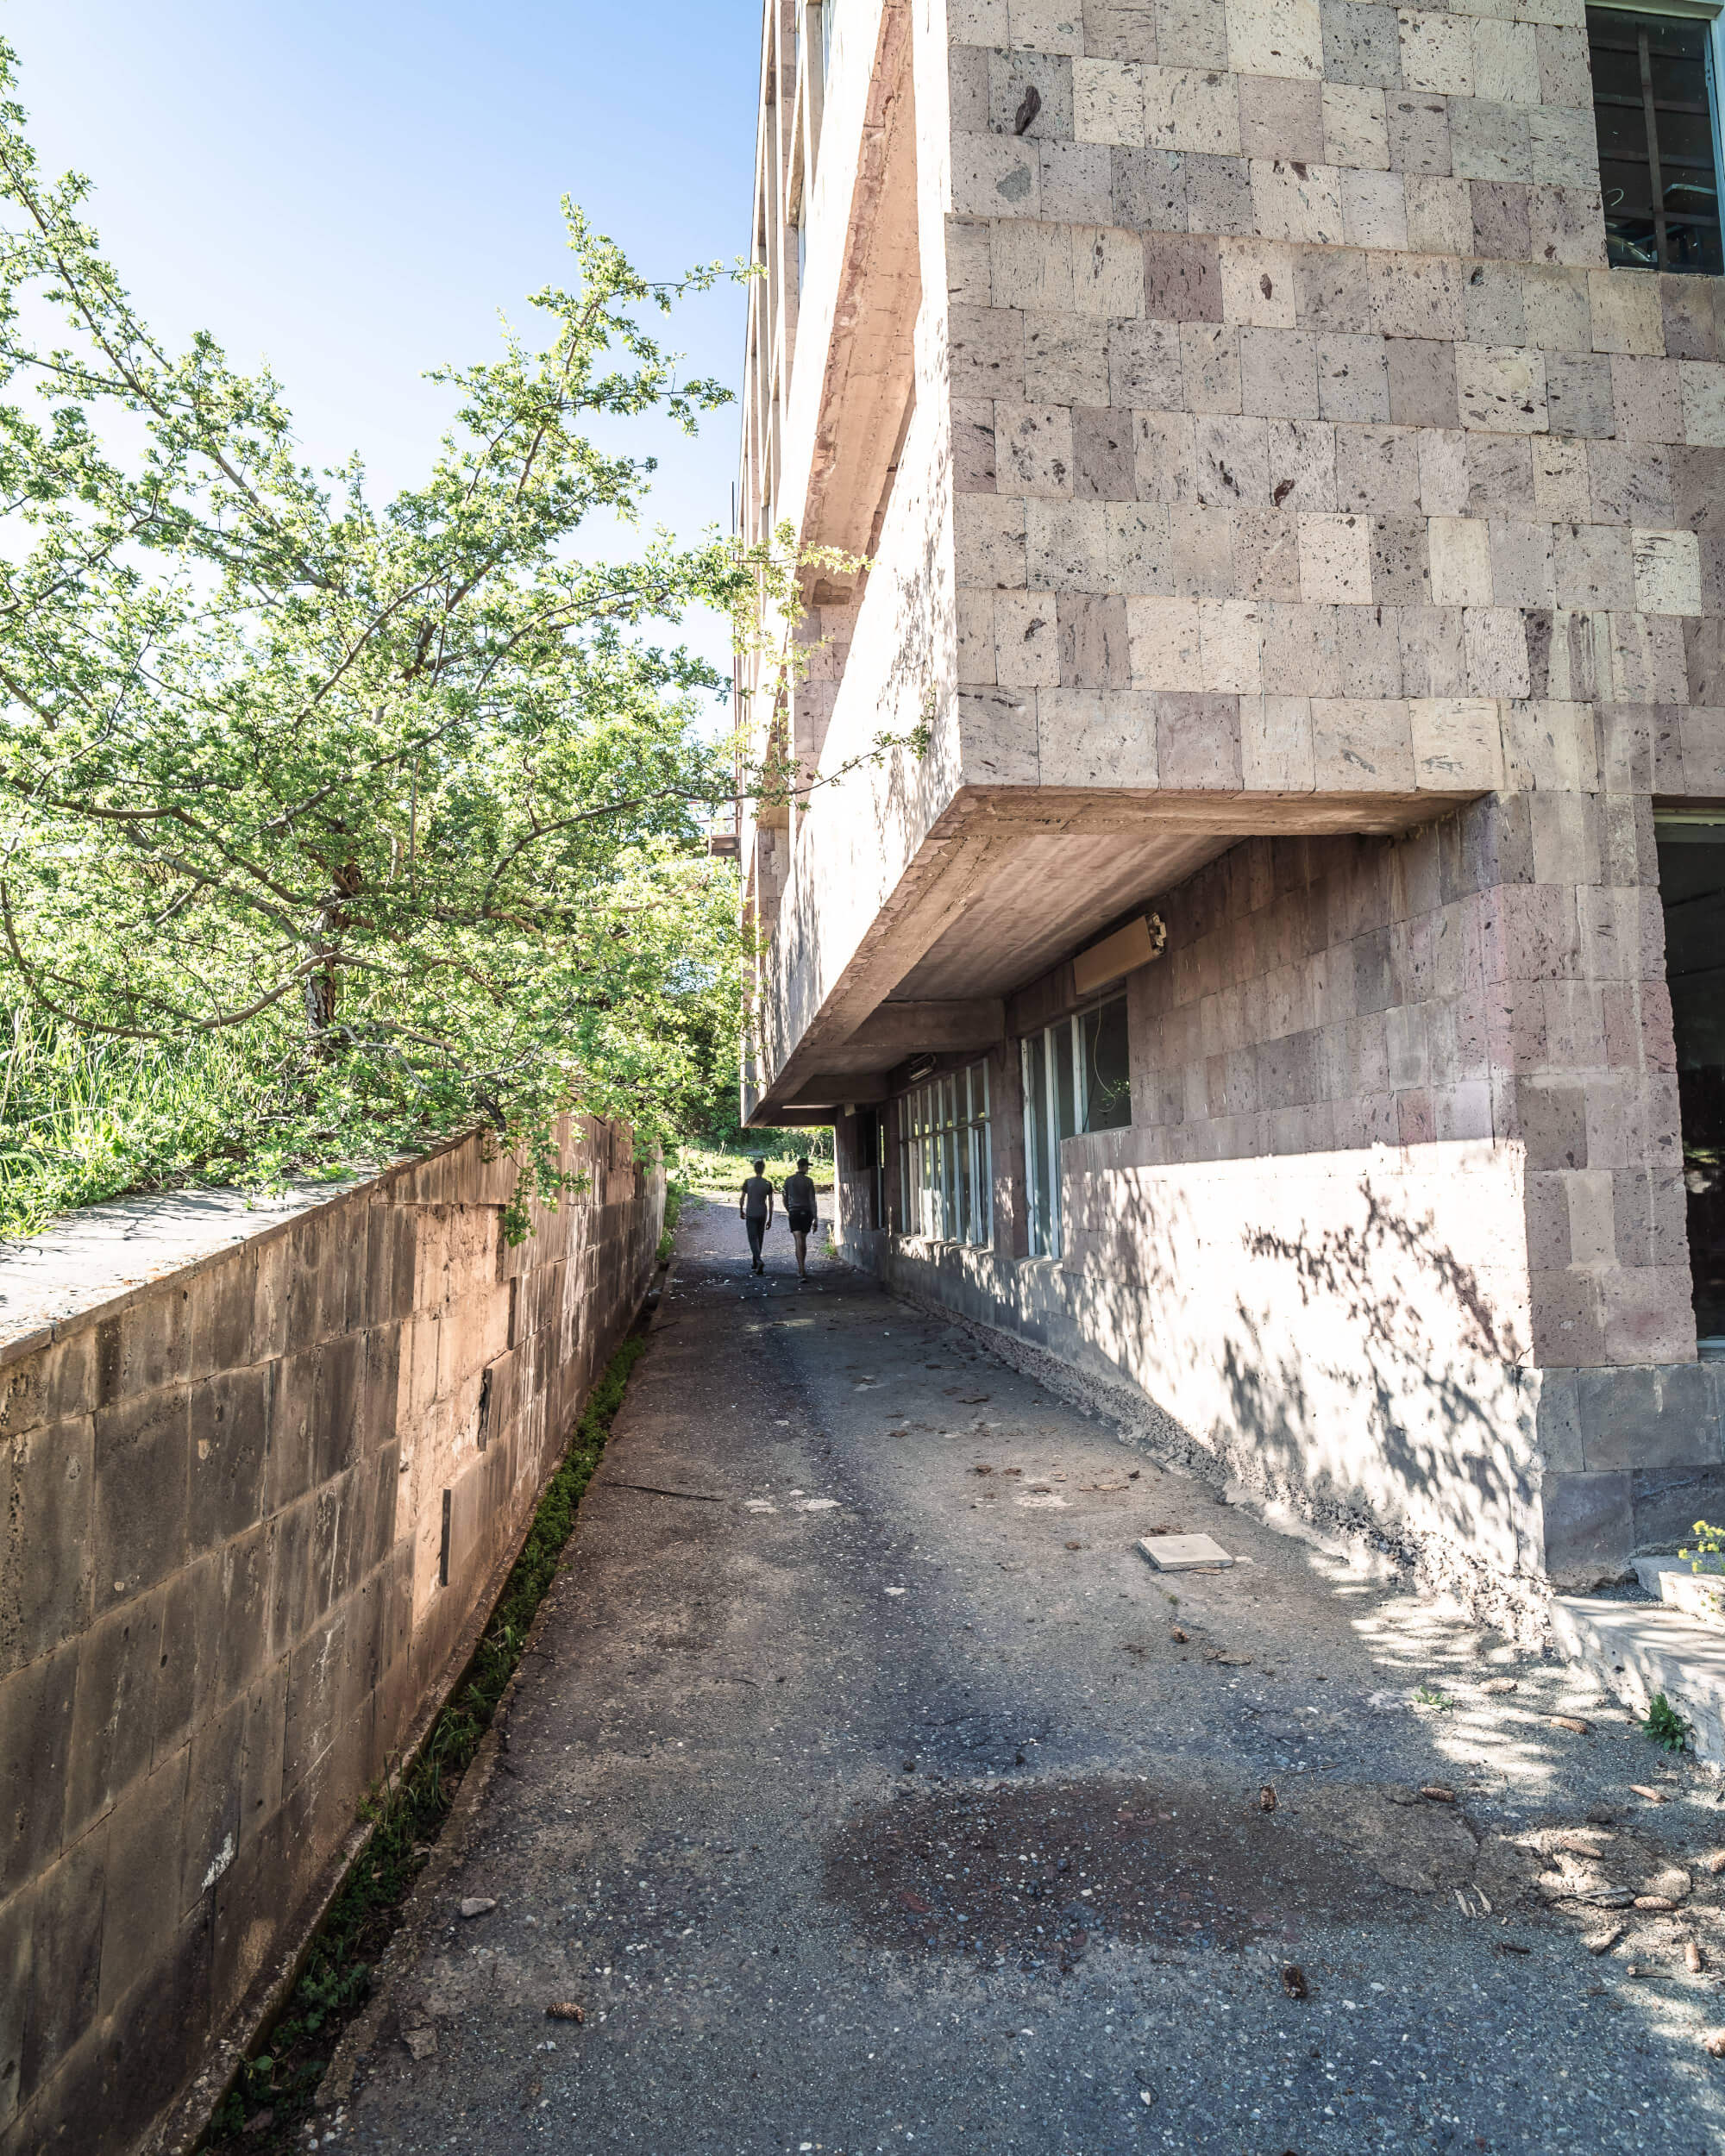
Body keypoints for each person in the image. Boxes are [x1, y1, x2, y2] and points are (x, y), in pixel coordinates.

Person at [782, 1156, 819, 1281]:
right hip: (806, 1212)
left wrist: (789, 1210)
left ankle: (801, 1269)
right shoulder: (809, 1181)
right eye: (807, 1166)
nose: (808, 1168)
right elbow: (812, 1201)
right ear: (803, 1167)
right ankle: (803, 1268)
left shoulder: (788, 1180)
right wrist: (816, 1218)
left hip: (794, 1212)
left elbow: (784, 1199)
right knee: (803, 1239)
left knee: (798, 1240)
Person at [739, 1156, 775, 1274]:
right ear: (763, 1169)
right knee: (760, 1238)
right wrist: (770, 1218)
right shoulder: (767, 1184)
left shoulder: (748, 1182)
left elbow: (742, 1198)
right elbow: (770, 1202)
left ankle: (758, 1260)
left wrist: (741, 1210)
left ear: (754, 1169)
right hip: (762, 1213)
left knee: (752, 1238)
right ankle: (755, 1262)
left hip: (751, 1213)